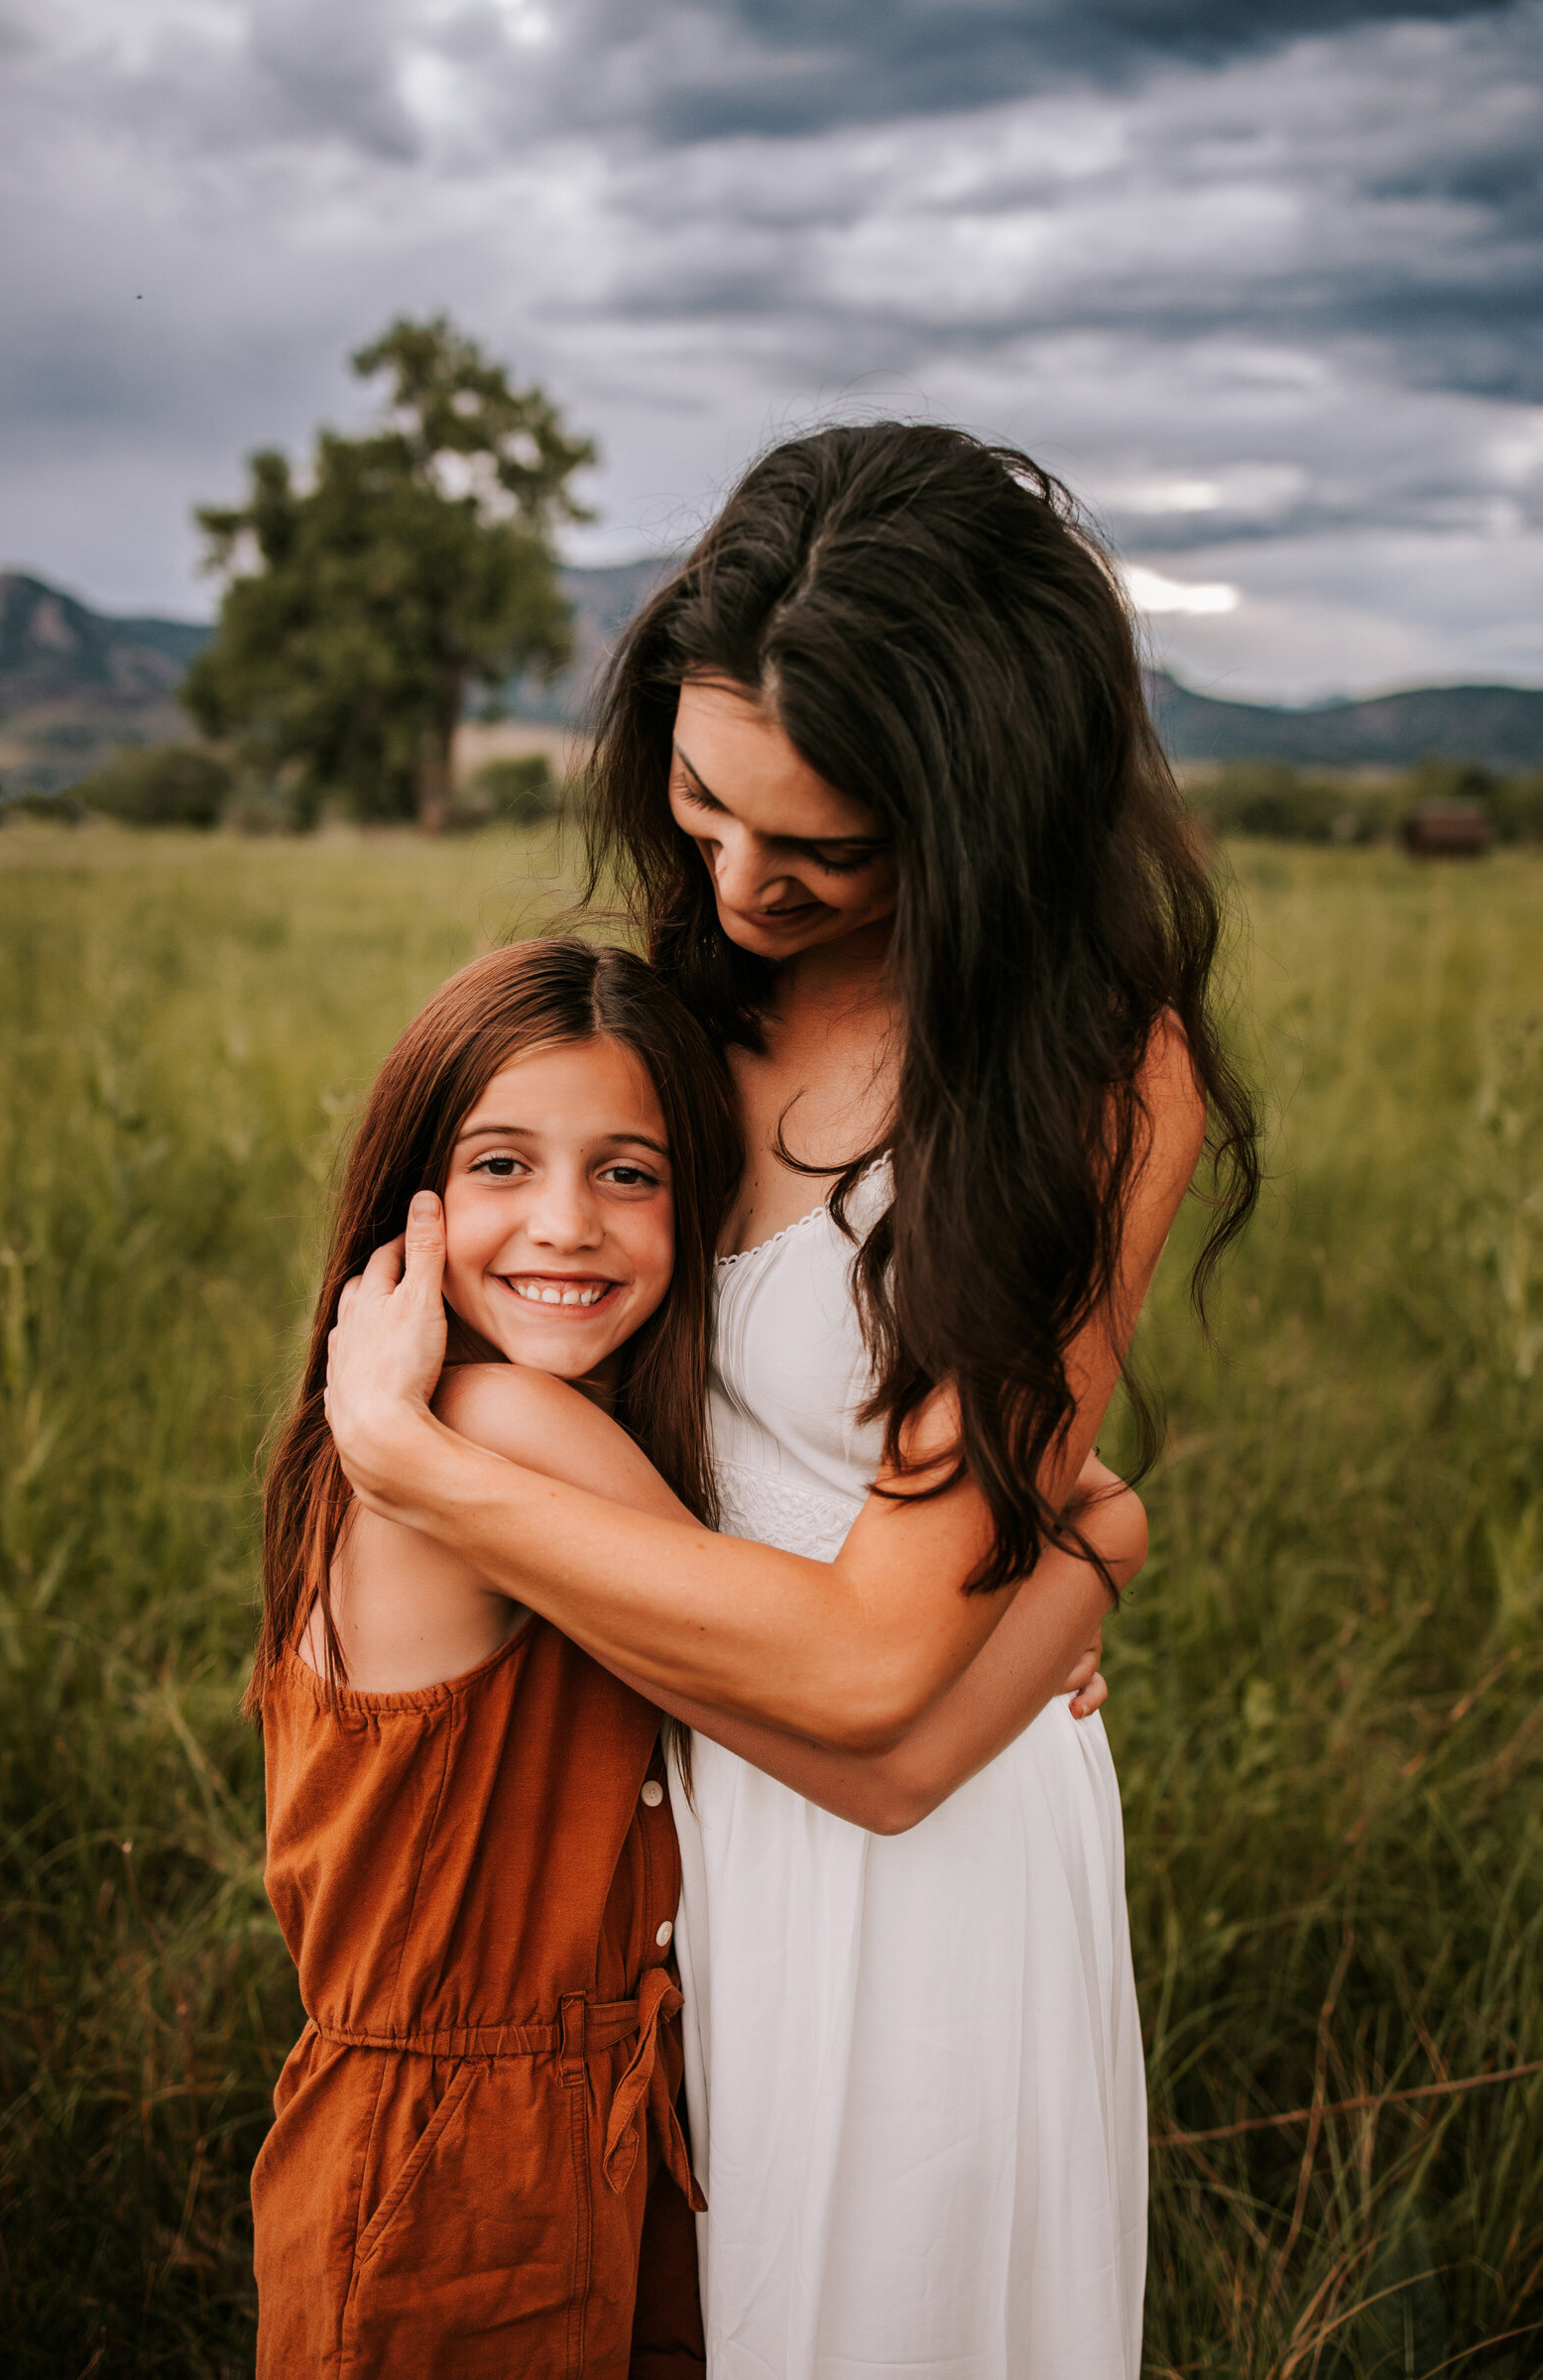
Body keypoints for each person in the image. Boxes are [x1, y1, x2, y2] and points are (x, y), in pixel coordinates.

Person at [322, 422, 1260, 2379]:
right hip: (651, 1823)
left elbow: (873, 1708)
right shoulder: (670, 1012)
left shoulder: (1083, 1078)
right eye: (697, 798)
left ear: (973, 813)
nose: (736, 878)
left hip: (921, 1873)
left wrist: (401, 1451)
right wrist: (1088, 1550)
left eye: (821, 849)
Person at [248, 938, 737, 2379]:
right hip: (452, 2182)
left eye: (629, 1172)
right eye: (503, 1166)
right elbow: (815, 1660)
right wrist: (1087, 1545)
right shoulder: (492, 1431)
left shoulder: (483, 1433)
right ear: (411, 1210)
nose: (567, 1224)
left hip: (597, 2134)